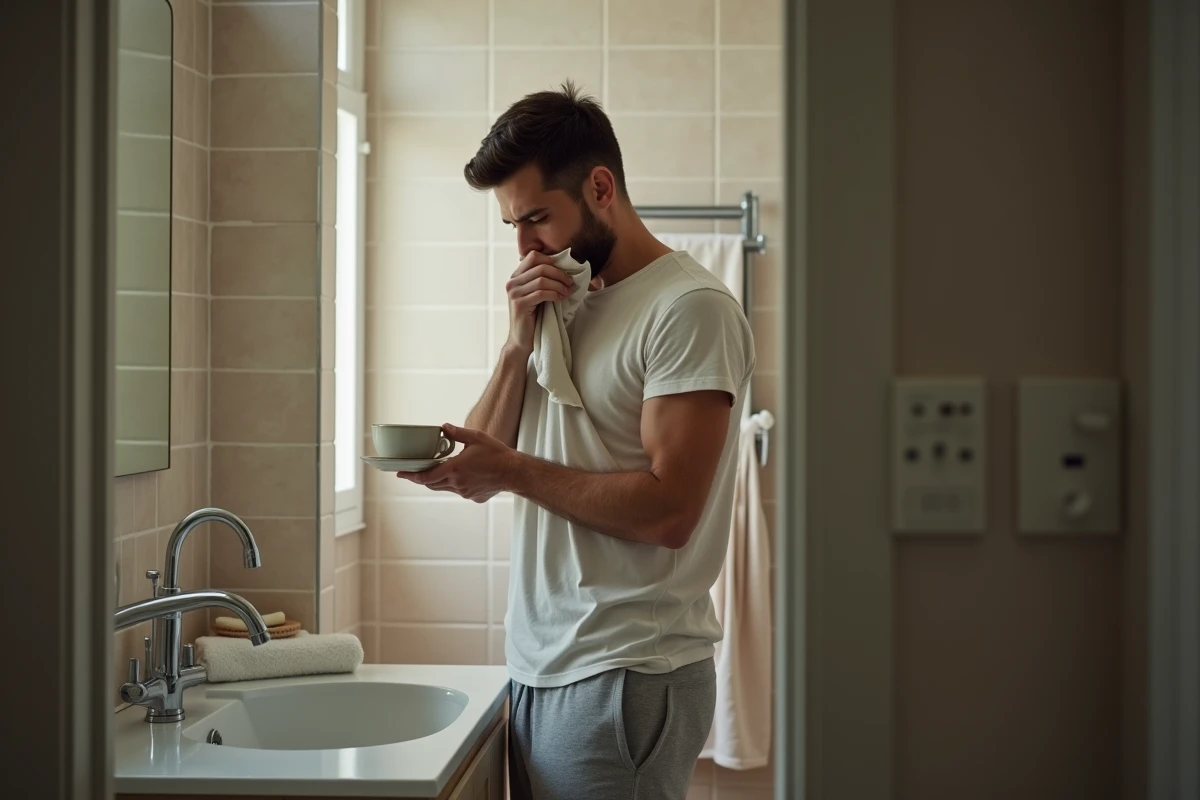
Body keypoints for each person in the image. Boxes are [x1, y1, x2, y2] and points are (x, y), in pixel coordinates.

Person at [398, 81, 755, 800]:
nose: (527, 245)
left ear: (600, 188)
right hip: (542, 664)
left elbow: (670, 513)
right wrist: (513, 343)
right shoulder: (566, 301)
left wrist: (518, 472)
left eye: (537, 219)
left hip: (628, 670)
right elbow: (485, 458)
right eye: (512, 227)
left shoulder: (688, 310)